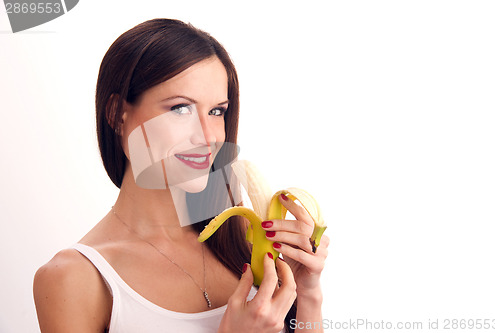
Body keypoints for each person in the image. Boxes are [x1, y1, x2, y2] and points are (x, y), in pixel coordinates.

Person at [33, 18, 329, 333]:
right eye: (180, 108)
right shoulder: (76, 278)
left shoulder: (245, 237)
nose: (207, 136)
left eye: (217, 111)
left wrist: (307, 293)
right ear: (117, 113)